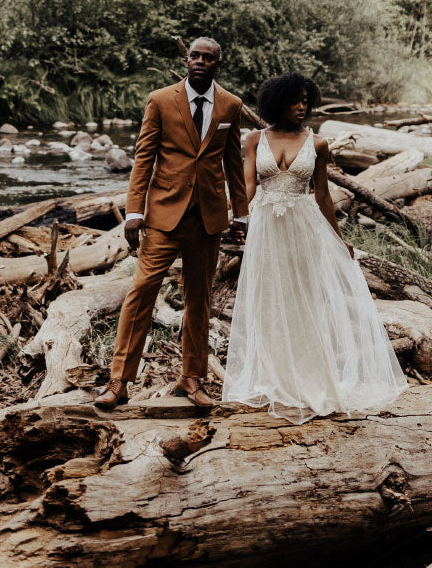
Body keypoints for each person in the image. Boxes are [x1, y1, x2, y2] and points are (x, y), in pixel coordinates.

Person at [222, 71, 406, 422]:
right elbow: (247, 185)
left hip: (304, 229)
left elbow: (322, 195)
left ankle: (310, 381)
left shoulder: (317, 143)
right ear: (278, 102)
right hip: (266, 228)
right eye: (296, 100)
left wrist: (338, 240)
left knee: (305, 301)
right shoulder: (253, 139)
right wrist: (234, 219)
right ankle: (275, 378)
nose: (303, 107)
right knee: (269, 301)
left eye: (307, 100)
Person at [95, 37, 248, 411]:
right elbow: (143, 159)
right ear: (186, 58)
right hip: (163, 214)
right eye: (194, 55)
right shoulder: (161, 100)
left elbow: (233, 164)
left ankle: (191, 379)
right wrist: (134, 212)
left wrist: (241, 213)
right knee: (142, 288)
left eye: (208, 58)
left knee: (199, 300)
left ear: (217, 63)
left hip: (208, 217)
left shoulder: (231, 105)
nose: (199, 61)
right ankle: (119, 381)